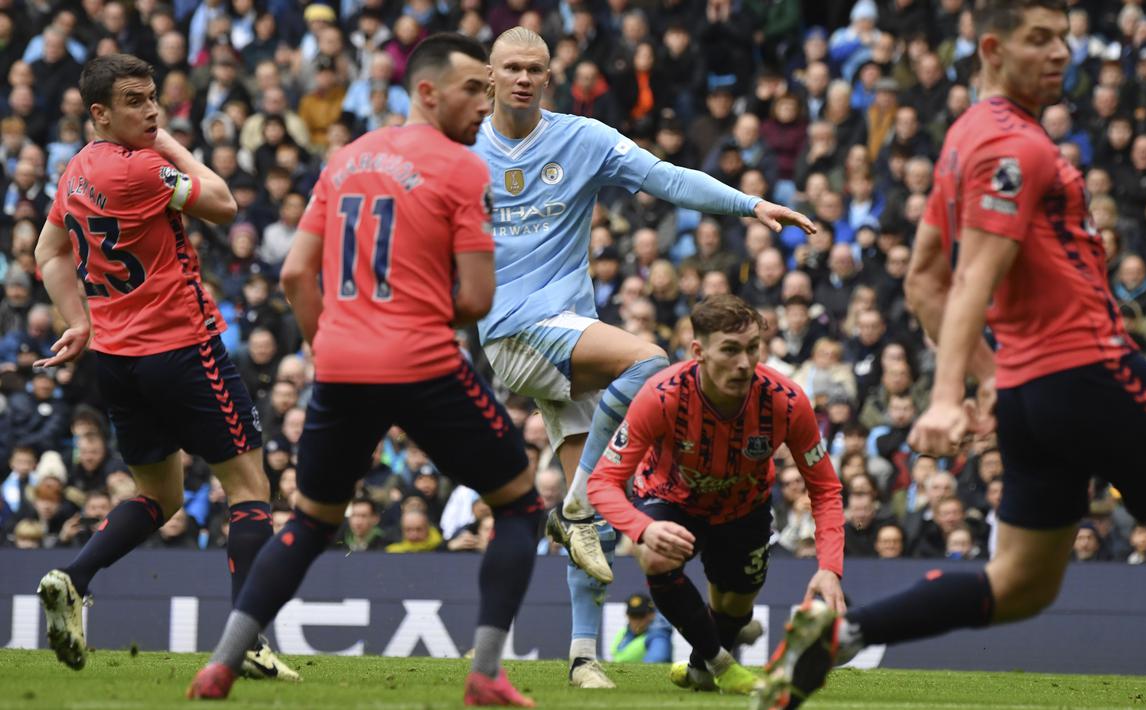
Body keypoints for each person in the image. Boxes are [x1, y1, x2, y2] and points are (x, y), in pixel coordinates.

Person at [755, 3, 1146, 709]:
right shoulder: (1017, 145)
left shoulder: (960, 141)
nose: (1060, 54)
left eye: (1063, 39)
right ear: (990, 48)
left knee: (1020, 586)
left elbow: (923, 278)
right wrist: (947, 394)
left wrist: (989, 376)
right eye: (1038, 40)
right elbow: (971, 275)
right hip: (1091, 370)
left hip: (1031, 395)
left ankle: (841, 636)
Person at [186, 34, 543, 708]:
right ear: (428, 91)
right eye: (474, 88)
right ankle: (486, 674)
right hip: (421, 360)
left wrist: (331, 343)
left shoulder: (344, 159)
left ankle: (221, 666)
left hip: (342, 364)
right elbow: (477, 299)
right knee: (521, 505)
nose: (485, 102)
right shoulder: (464, 169)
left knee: (310, 522)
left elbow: (296, 273)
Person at [473, 27, 816, 689]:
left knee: (598, 518)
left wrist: (749, 204)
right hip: (513, 334)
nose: (522, 78)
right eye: (510, 68)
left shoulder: (582, 138)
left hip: (571, 337)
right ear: (488, 76)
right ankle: (573, 506)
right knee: (651, 363)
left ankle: (580, 656)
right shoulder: (461, 149)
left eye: (534, 69)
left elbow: (666, 179)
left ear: (550, 76)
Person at [33, 53, 293, 680]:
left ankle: (73, 577)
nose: (151, 110)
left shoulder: (74, 172)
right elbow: (226, 205)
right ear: (100, 113)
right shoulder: (145, 169)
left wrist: (81, 321)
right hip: (184, 348)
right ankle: (246, 644)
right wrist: (172, 142)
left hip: (118, 361)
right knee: (250, 489)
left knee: (160, 494)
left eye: (154, 99)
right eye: (134, 101)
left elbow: (48, 252)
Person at [589, 295, 845, 696]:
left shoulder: (788, 401)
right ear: (699, 351)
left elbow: (825, 489)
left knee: (734, 605)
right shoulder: (661, 395)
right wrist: (640, 529)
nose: (744, 363)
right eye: (729, 349)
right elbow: (601, 482)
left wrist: (829, 566)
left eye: (752, 348)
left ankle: (700, 668)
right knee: (656, 556)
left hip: (745, 507)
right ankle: (722, 664)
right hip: (670, 498)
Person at [608, 592, 671, 663]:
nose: (636, 621)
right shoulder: (623, 632)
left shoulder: (658, 635)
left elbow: (658, 657)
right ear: (626, 615)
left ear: (652, 615)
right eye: (633, 616)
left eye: (641, 616)